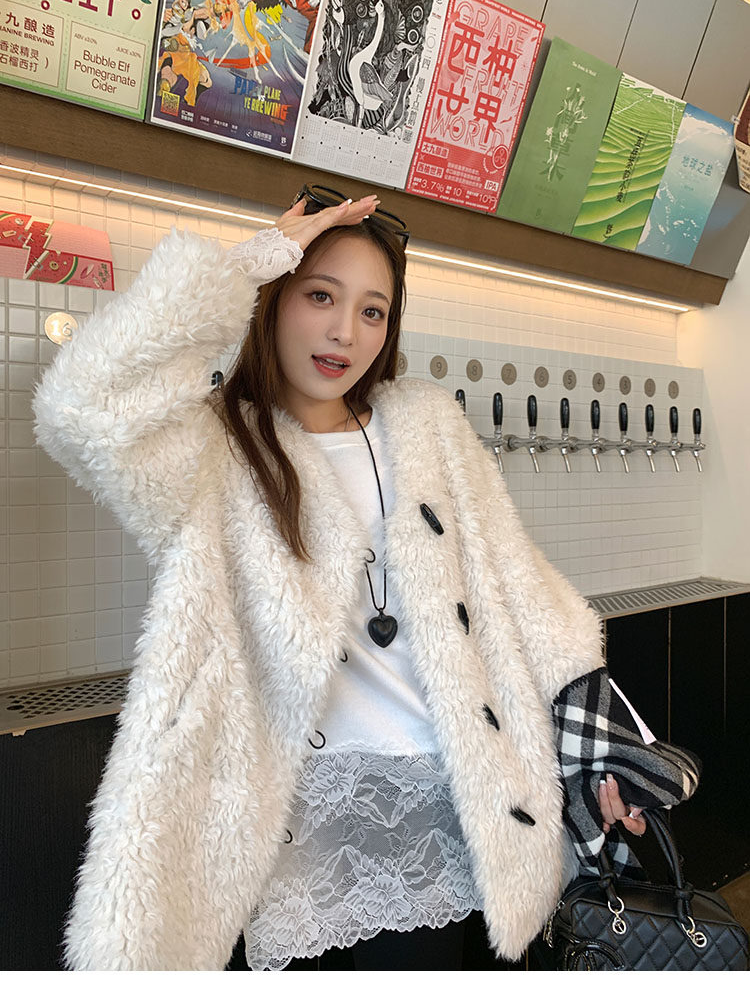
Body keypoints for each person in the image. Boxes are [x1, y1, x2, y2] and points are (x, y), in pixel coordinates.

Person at [32, 186, 700, 971]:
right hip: (301, 830)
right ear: (274, 299)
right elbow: (82, 408)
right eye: (319, 295)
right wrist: (255, 258)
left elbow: (522, 591)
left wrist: (605, 747)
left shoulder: (425, 424)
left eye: (373, 310)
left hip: (454, 806)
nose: (345, 332)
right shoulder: (215, 448)